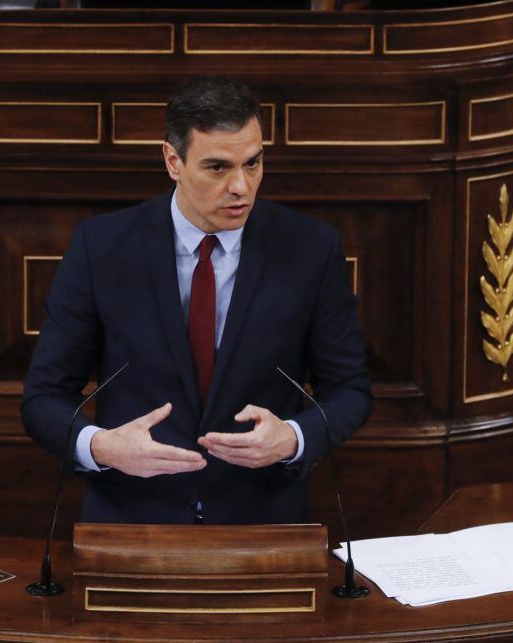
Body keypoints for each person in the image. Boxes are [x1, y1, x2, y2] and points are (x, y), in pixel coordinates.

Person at [22, 75, 371, 525]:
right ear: (173, 160)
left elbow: (350, 392)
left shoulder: (310, 249)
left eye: (253, 163)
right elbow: (43, 398)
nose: (242, 187)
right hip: (133, 519)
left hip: (262, 520)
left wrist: (294, 438)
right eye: (218, 168)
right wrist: (101, 446)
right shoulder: (102, 247)